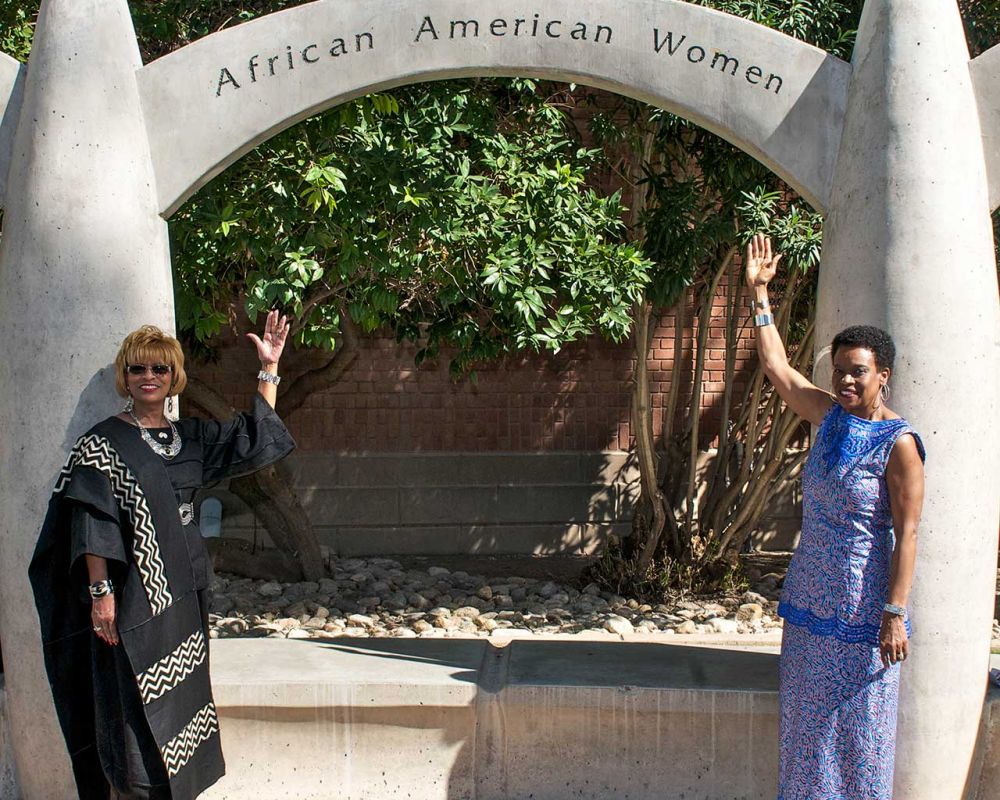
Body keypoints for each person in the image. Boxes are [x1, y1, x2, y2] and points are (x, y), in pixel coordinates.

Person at [29, 311, 296, 800]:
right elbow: (93, 524)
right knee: (132, 704)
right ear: (124, 378)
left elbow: (252, 439)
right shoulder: (103, 444)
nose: (149, 377)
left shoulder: (188, 438)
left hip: (186, 590)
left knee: (183, 698)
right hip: (132, 599)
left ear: (174, 377)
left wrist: (269, 369)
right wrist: (100, 593)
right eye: (138, 369)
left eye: (160, 369)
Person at [744, 234, 926, 800]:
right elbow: (778, 368)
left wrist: (894, 613)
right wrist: (758, 294)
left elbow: (909, 532)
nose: (845, 380)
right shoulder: (827, 416)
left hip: (862, 611)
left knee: (859, 734)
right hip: (808, 602)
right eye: (840, 369)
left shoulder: (899, 443)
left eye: (858, 372)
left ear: (883, 376)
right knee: (806, 734)